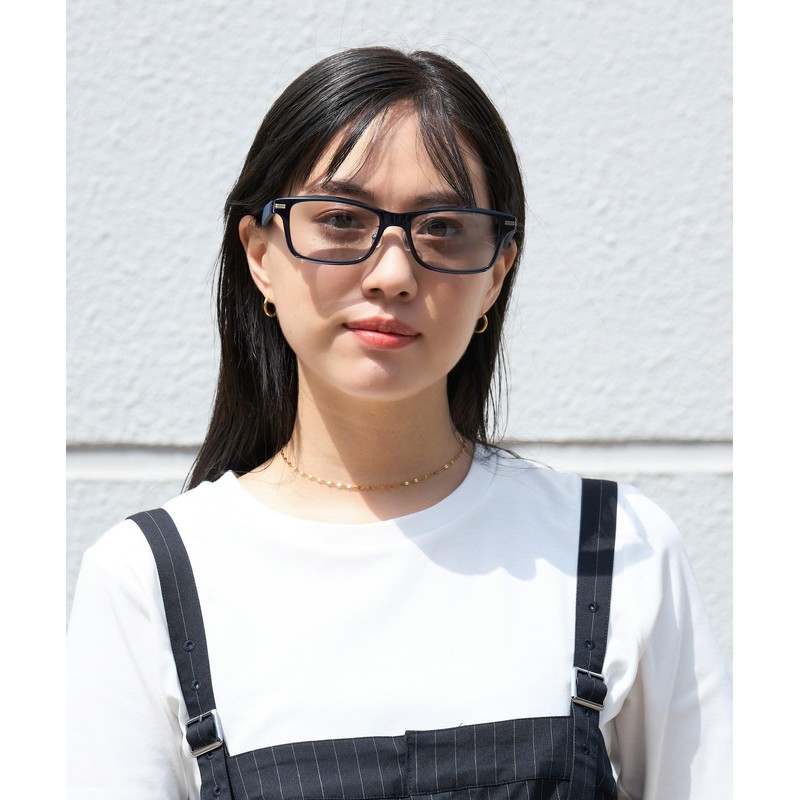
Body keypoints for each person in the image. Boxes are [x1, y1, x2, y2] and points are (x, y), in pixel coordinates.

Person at [66, 47, 732, 799]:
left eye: (443, 227)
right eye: (341, 220)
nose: (392, 274)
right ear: (259, 255)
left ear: (497, 273)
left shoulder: (617, 550)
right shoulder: (151, 577)